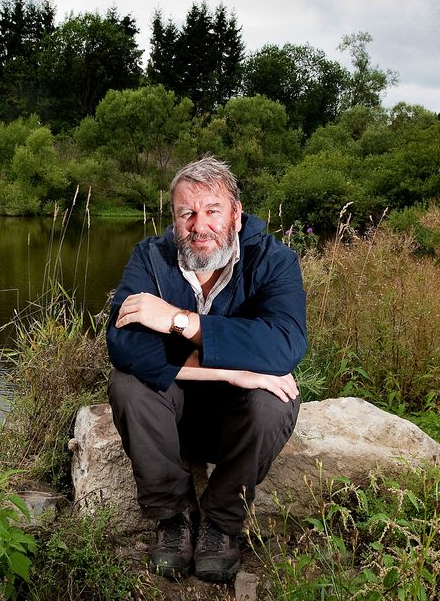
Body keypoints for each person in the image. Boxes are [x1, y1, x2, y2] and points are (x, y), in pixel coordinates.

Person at [106, 156, 307, 582]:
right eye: (187, 213)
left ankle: (220, 521)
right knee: (128, 385)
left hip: (236, 424)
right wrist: (230, 371)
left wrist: (182, 322)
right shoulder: (150, 258)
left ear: (236, 214)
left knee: (272, 402)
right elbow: (123, 344)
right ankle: (173, 516)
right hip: (170, 419)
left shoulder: (274, 260)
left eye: (213, 210)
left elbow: (284, 344)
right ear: (174, 219)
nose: (200, 226)